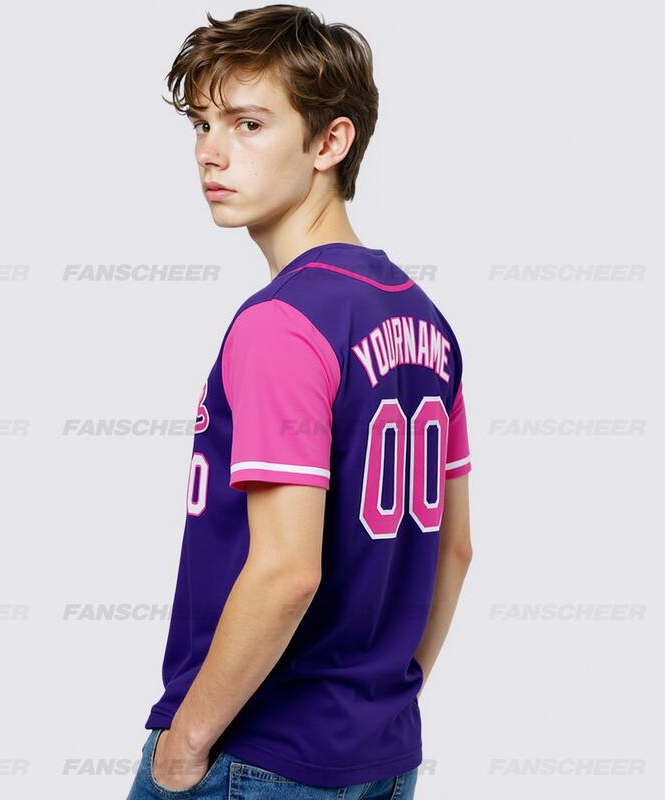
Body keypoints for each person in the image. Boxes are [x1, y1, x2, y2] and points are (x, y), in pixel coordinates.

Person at [126, 5, 473, 799]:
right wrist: (385, 703)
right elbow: (455, 550)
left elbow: (287, 573)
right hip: (380, 756)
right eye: (203, 124)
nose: (211, 152)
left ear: (329, 142)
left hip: (256, 753)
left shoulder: (282, 322)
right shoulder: (425, 319)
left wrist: (185, 745)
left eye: (248, 124)